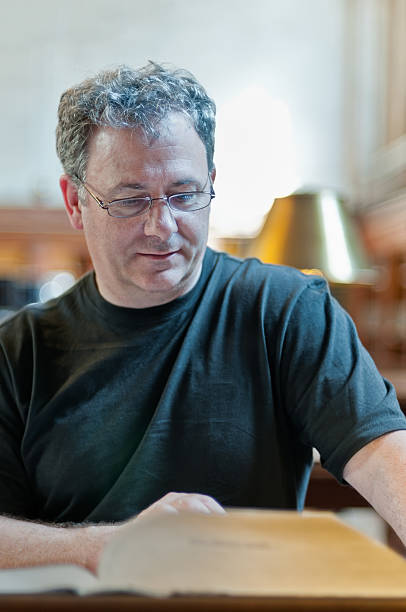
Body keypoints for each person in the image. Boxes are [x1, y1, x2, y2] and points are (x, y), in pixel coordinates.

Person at [1, 62, 406, 575]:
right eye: (129, 201)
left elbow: (383, 454)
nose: (162, 226)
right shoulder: (18, 351)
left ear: (211, 182)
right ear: (75, 202)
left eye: (185, 195)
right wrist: (103, 546)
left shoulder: (285, 310)